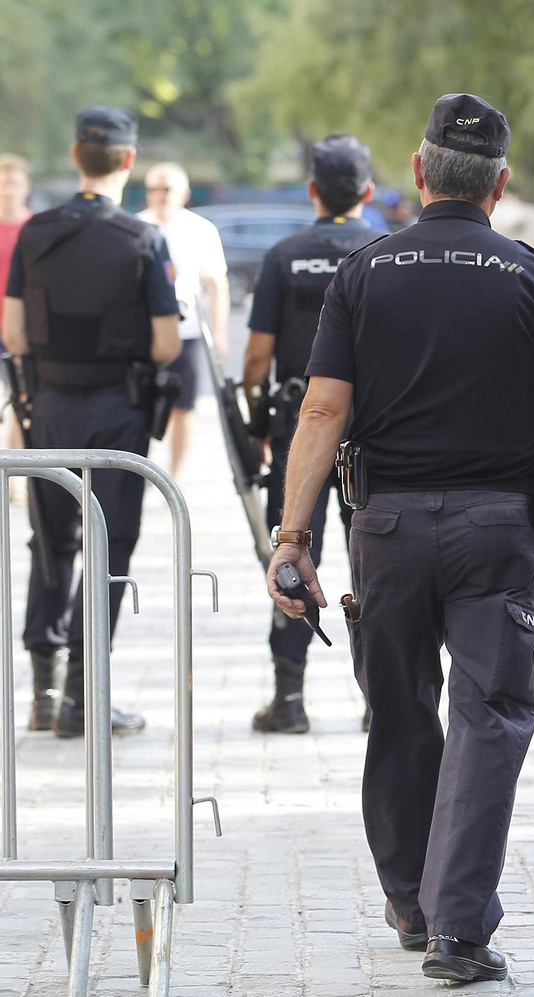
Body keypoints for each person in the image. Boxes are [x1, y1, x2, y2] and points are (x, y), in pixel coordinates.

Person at [265, 94, 534, 982]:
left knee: (397, 706)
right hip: (497, 528)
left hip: (382, 525)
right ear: (500, 185)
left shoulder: (365, 270)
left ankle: (409, 898)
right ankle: (460, 931)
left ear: (419, 175)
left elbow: (321, 408)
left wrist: (292, 534)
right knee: (489, 717)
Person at [2, 107, 181, 737]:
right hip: (116, 416)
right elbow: (165, 344)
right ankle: (85, 696)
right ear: (128, 161)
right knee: (109, 548)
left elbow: (14, 333)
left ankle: (45, 696)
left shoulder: (34, 233)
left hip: (48, 408)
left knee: (50, 547)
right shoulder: (143, 239)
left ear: (76, 156)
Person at [241, 135, 383, 734]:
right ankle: (382, 700)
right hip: (373, 436)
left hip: (299, 428)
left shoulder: (283, 256)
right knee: (375, 565)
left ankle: (290, 699)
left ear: (311, 192)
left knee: (294, 555)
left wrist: (256, 421)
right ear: (369, 192)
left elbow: (256, 357)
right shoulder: (386, 252)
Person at [137, 162, 229, 479]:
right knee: (140, 404)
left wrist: (218, 332)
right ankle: (137, 471)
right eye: (153, 189)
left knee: (183, 406)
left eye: (167, 189)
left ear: (184, 194)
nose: (160, 196)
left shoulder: (200, 230)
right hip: (142, 334)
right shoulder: (135, 227)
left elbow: (216, 285)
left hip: (186, 332)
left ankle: (173, 477)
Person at [0, 155, 33, 478]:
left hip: (20, 327)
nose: (8, 189)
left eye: (14, 182)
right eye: (3, 182)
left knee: (22, 402)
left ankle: (14, 475)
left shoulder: (34, 229)